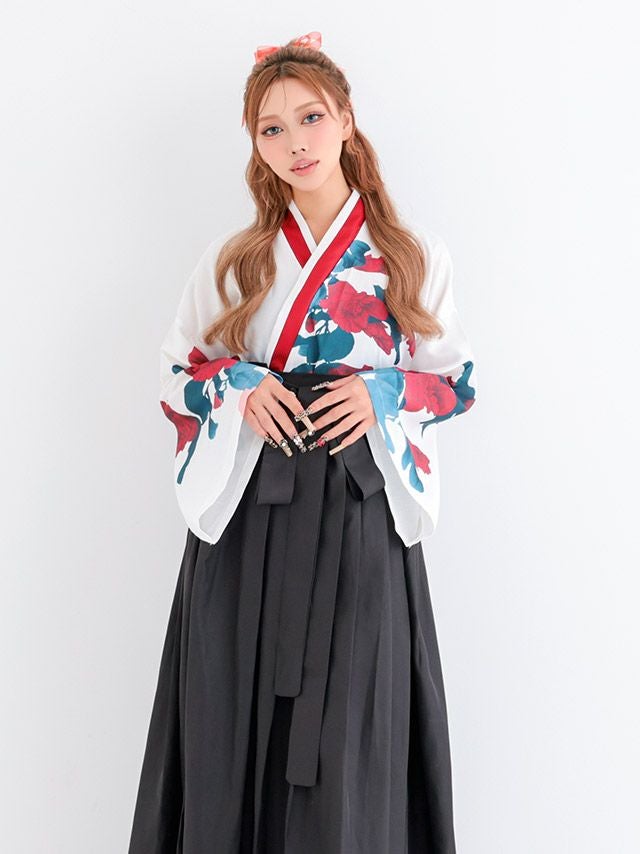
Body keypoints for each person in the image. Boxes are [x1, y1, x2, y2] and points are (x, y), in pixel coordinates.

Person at [128, 30, 477, 854]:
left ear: (346, 120)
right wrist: (239, 386)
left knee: (351, 723)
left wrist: (383, 391)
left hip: (359, 512)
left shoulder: (410, 255)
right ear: (255, 145)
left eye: (311, 118)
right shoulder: (235, 260)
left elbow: (458, 384)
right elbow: (177, 375)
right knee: (232, 721)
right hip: (253, 512)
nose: (296, 143)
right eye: (272, 128)